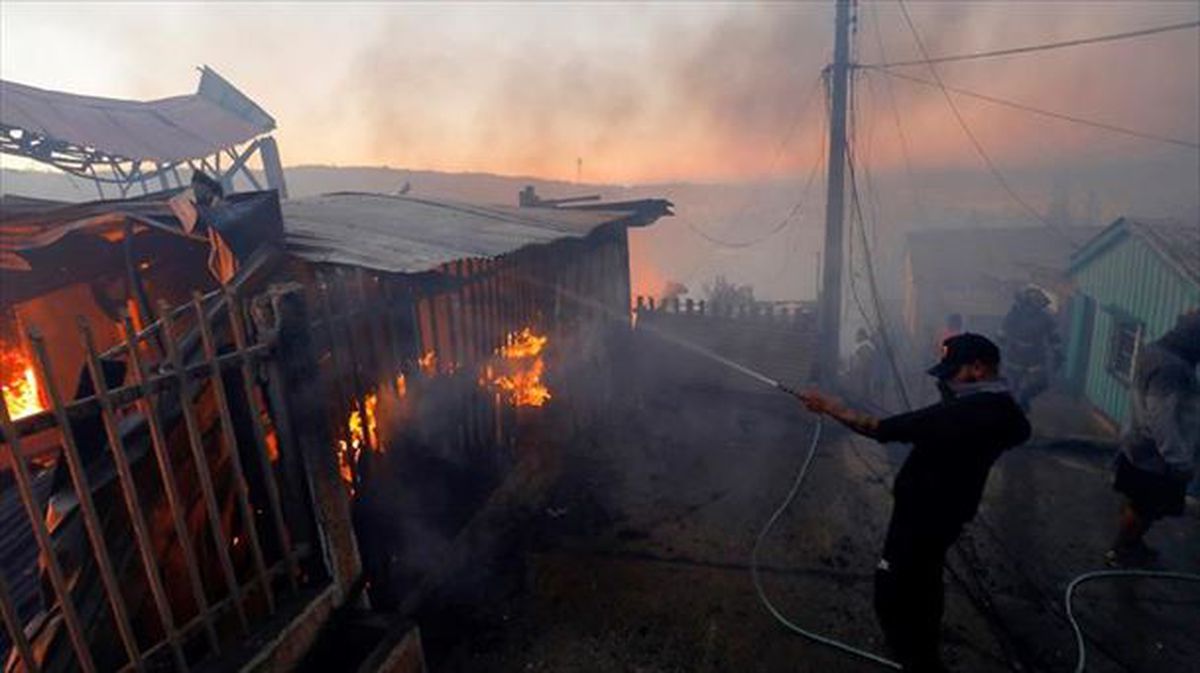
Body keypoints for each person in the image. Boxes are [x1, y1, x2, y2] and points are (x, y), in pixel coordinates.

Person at [800, 333, 1030, 672]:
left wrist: (830, 407)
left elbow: (878, 427)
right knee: (926, 578)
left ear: (979, 369)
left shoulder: (968, 412)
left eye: (953, 372)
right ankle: (924, 647)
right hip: (950, 513)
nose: (946, 380)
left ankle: (919, 661)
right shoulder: (1003, 408)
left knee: (892, 591)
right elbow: (1018, 431)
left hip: (923, 515)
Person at [1107, 309, 1200, 567]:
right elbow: (1162, 419)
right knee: (1144, 507)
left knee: (1138, 503)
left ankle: (1131, 544)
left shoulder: (1155, 352)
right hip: (1156, 456)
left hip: (1139, 444)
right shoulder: (1172, 367)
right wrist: (1179, 460)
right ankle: (1122, 551)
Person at [998, 286, 1063, 411]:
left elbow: (1054, 336)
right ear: (1026, 300)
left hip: (1035, 356)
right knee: (1012, 386)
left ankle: (1023, 399)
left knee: (1042, 383)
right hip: (1015, 355)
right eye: (1034, 300)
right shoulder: (1015, 314)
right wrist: (1000, 347)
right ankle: (1009, 412)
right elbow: (1003, 333)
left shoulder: (1045, 317)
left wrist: (1058, 353)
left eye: (1038, 301)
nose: (1035, 305)